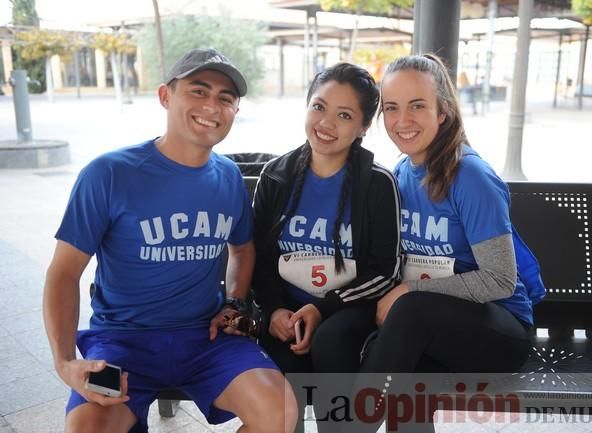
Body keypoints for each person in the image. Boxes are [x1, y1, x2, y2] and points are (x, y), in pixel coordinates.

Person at [43, 48, 297, 433]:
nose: (212, 105)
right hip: (122, 341)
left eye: (225, 98)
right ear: (165, 96)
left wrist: (233, 302)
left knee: (279, 411)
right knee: (86, 429)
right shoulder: (108, 174)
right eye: (198, 90)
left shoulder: (229, 177)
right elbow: (63, 273)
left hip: (206, 338)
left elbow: (242, 248)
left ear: (234, 112)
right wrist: (65, 363)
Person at [355, 54, 544, 430]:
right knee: (404, 377)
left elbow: (499, 280)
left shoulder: (469, 175)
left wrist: (408, 291)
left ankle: (351, 425)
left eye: (417, 106)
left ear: (442, 112)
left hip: (499, 331)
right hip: (430, 324)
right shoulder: (401, 173)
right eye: (391, 108)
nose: (402, 120)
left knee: (410, 313)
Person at [252, 63, 401, 432]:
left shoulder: (377, 184)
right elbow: (258, 259)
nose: (326, 123)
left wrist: (323, 309)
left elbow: (386, 272)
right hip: (287, 308)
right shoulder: (276, 175)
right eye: (318, 107)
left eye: (344, 115)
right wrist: (274, 310)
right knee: (282, 353)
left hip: (349, 308)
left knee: (331, 340)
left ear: (364, 126)